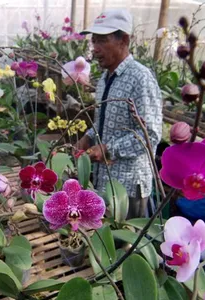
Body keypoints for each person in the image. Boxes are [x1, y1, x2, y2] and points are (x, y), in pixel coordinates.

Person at [78, 9, 163, 219]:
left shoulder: (140, 79)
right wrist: (88, 137)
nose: (95, 49)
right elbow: (104, 121)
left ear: (123, 40)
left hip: (128, 185)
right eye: (93, 41)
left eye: (102, 41)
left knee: (125, 245)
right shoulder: (105, 79)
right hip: (103, 179)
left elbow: (150, 135)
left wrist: (109, 149)